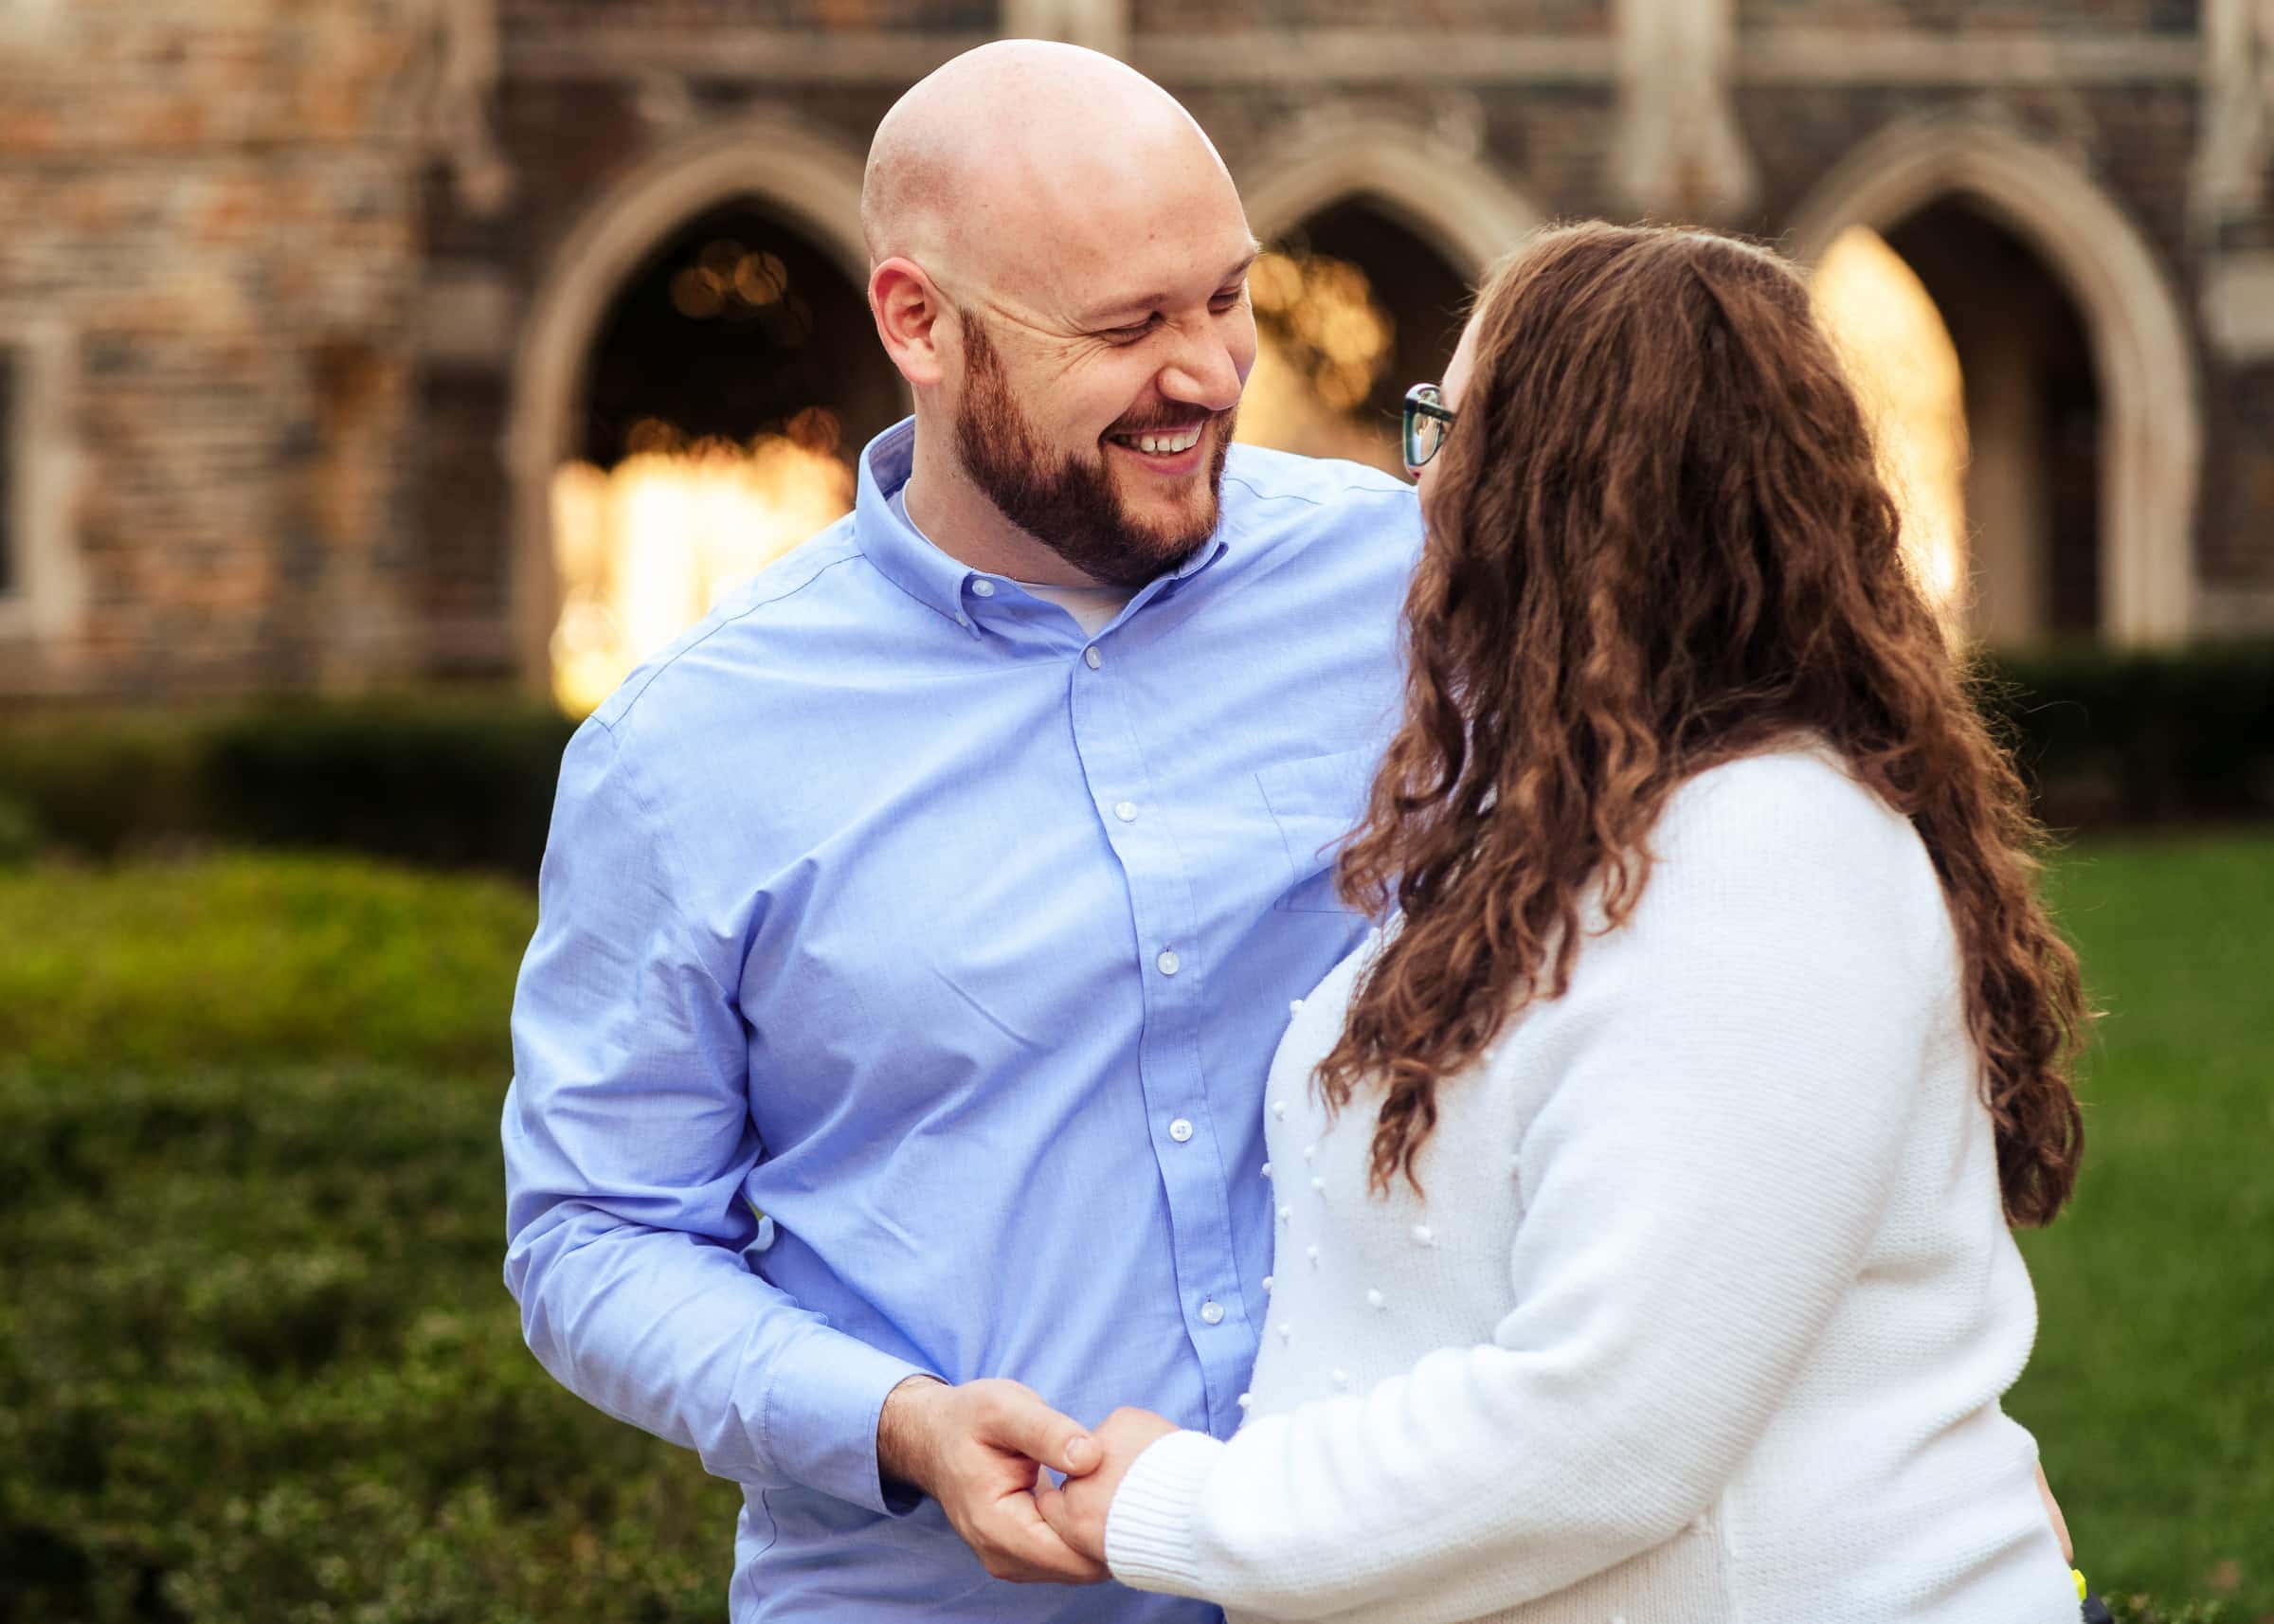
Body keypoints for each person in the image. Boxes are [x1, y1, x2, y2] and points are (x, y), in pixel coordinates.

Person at [1035, 223, 2092, 1624]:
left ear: (1557, 487)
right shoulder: (1563, 827)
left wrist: (1180, 1505)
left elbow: (1614, 1425)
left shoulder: (1773, 852)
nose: (1418, 496)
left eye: (1447, 431)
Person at [500, 40, 1419, 1623]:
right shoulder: (687, 752)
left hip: (1386, 1580)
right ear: (917, 321)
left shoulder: (1418, 588)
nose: (1203, 372)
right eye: (1125, 328)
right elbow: (591, 1235)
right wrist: (895, 1424)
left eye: (1222, 298)